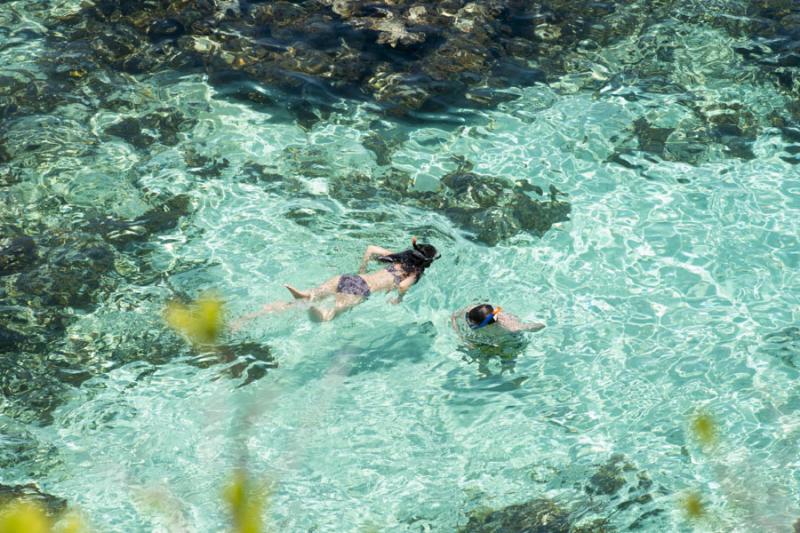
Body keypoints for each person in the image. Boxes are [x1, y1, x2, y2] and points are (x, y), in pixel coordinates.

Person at [235, 238, 439, 326]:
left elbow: (370, 249)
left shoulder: (397, 258)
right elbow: (403, 286)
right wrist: (398, 298)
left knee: (298, 301)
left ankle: (248, 317)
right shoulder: (414, 274)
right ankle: (311, 304)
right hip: (360, 289)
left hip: (350, 278)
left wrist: (361, 270)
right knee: (325, 317)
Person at [452, 303, 545, 335]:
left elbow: (531, 327)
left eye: (472, 322)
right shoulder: (470, 312)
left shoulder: (508, 327)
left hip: (509, 338)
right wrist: (462, 338)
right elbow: (454, 316)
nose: (468, 322)